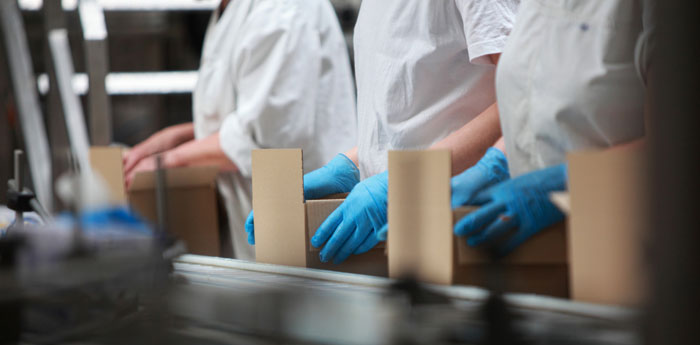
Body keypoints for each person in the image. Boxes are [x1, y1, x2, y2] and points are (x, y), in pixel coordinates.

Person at [247, 0, 521, 264]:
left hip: (462, 220)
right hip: (396, 230)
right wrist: (354, 163)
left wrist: (410, 179)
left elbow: (523, 97)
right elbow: (411, 109)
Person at [122, 0, 357, 260]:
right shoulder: (230, 8)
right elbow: (248, 114)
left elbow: (267, 138)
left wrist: (172, 160)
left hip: (305, 240)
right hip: (258, 231)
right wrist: (177, 137)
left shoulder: (282, 8)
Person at [450, 0, 653, 254]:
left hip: (627, 253)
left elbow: (680, 141)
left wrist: (568, 182)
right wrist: (494, 164)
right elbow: (535, 99)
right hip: (543, 252)